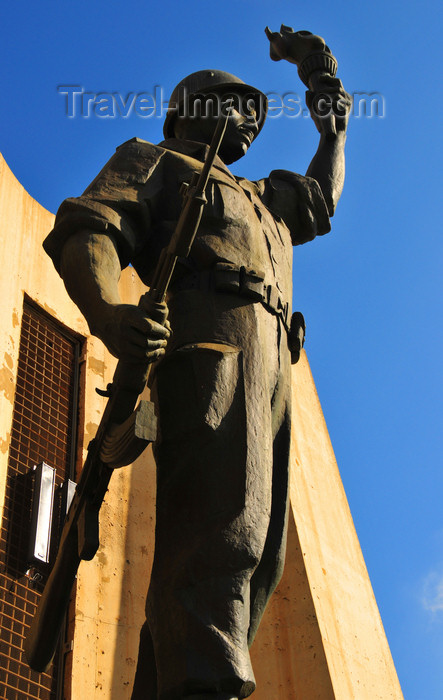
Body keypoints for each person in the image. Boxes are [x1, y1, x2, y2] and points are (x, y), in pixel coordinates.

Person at [44, 26, 350, 700]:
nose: (250, 120)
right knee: (223, 534)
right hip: (210, 351)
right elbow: (89, 231)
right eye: (236, 105)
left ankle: (171, 685)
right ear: (191, 108)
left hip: (272, 362)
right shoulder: (157, 162)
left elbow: (319, 201)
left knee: (259, 557)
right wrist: (108, 313)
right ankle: (205, 688)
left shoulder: (261, 198)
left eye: (256, 112)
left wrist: (329, 118)